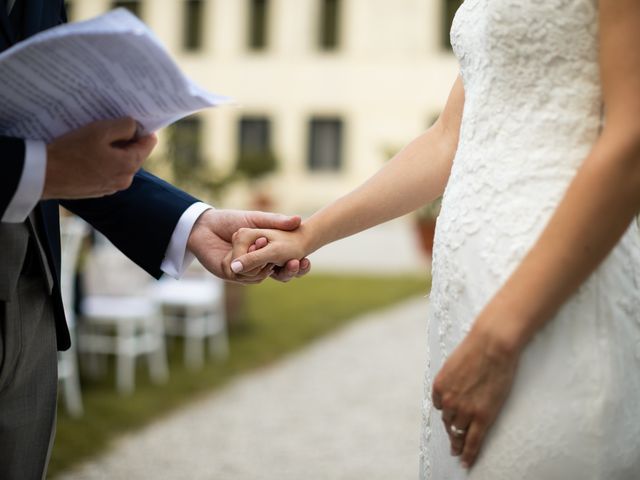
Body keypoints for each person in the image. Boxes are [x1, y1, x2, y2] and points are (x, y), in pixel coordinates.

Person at [228, 1, 640, 478]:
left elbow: (630, 142)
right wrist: (309, 233)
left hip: (553, 293)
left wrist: (499, 339)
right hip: (469, 304)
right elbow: (449, 137)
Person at [0, 1, 308, 479]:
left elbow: (53, 134)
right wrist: (35, 169)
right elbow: (46, 158)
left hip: (31, 307)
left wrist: (194, 224)